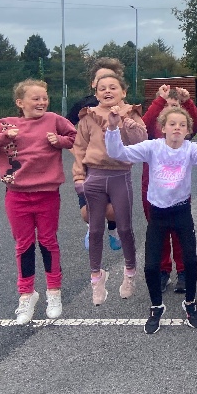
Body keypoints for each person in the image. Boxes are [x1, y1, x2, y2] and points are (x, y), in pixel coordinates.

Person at [105, 106, 197, 333]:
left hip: (181, 212)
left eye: (182, 125)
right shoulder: (152, 147)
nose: (177, 128)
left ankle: (190, 302)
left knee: (191, 261)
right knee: (151, 266)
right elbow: (118, 153)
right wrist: (112, 127)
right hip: (157, 214)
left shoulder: (189, 149)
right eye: (172, 124)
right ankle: (156, 306)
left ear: (188, 131)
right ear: (163, 128)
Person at [0, 79, 76, 324]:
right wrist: (3, 137)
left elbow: (74, 137)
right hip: (17, 196)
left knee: (48, 241)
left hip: (47, 194)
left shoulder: (54, 119)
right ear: (20, 102)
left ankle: (53, 291)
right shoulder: (6, 124)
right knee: (23, 244)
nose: (42, 102)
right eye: (36, 98)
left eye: (44, 98)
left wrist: (60, 141)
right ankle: (27, 293)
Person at [72, 73, 147, 306]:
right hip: (94, 177)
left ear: (123, 92)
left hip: (120, 176)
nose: (107, 91)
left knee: (124, 227)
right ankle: (96, 278)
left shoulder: (131, 113)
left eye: (113, 87)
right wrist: (79, 176)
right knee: (95, 230)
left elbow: (141, 142)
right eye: (102, 88)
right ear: (96, 94)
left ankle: (130, 272)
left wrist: (130, 127)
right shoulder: (88, 116)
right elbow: (79, 148)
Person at [142, 84, 197, 294]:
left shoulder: (180, 128)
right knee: (157, 232)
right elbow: (143, 125)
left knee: (179, 233)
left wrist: (188, 102)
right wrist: (159, 100)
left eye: (175, 106)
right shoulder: (156, 126)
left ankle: (183, 271)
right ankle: (162, 270)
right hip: (153, 185)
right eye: (166, 106)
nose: (171, 110)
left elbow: (196, 124)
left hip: (177, 187)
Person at [67, 58, 126, 252]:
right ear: (94, 83)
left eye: (111, 80)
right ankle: (91, 226)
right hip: (89, 167)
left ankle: (113, 229)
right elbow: (65, 126)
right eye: (101, 80)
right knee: (89, 210)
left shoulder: (123, 108)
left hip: (115, 167)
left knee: (113, 209)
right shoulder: (84, 106)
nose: (106, 86)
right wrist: (75, 148)